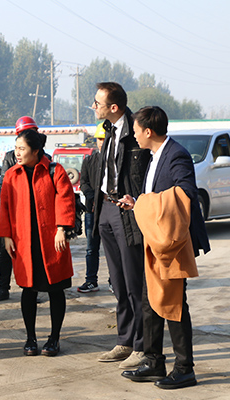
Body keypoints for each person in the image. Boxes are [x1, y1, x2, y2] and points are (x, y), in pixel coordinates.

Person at [118, 106, 210, 389]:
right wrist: (138, 202)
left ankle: (184, 368)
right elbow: (155, 195)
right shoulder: (154, 155)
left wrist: (146, 203)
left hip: (172, 243)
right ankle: (153, 362)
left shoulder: (176, 154)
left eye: (136, 130)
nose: (134, 135)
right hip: (154, 239)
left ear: (148, 131)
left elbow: (185, 194)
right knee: (150, 302)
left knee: (174, 304)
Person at [0, 128, 76, 357]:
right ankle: (30, 338)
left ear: (36, 151)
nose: (17, 153)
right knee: (28, 290)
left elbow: (66, 199)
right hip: (24, 241)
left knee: (56, 289)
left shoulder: (54, 170)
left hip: (52, 240)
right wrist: (6, 235)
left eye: (22, 149)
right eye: (16, 148)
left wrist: (62, 228)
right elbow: (4, 206)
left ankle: (54, 338)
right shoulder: (12, 174)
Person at [91, 82, 151, 368]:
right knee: (117, 282)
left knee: (133, 281)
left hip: (126, 212)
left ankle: (142, 344)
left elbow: (145, 176)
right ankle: (124, 340)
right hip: (105, 208)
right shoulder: (109, 130)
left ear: (113, 107)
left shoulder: (136, 132)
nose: (94, 106)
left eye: (97, 103)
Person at [0, 116, 38, 303]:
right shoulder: (11, 157)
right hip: (14, 212)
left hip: (34, 213)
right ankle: (3, 288)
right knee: (6, 251)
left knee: (34, 251)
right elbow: (6, 184)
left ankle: (33, 288)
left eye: (31, 132)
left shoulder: (45, 158)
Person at [77, 122, 105, 293]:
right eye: (99, 139)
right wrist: (93, 198)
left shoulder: (115, 162)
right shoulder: (89, 161)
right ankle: (91, 280)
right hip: (91, 211)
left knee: (112, 249)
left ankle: (114, 280)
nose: (102, 142)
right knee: (91, 249)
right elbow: (83, 182)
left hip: (109, 210)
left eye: (104, 138)